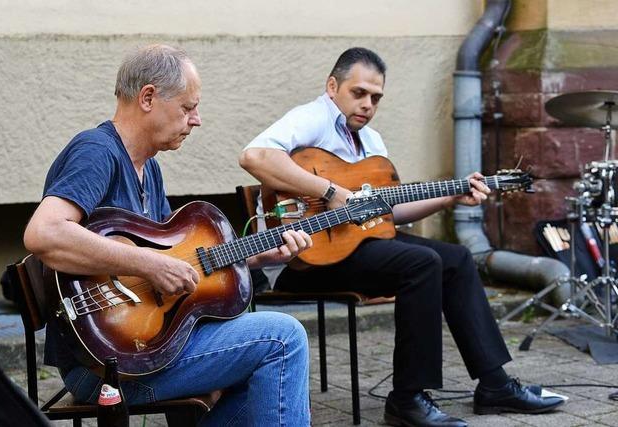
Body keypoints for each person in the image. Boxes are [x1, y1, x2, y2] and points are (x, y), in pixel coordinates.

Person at [239, 47, 565, 427]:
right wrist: (330, 191)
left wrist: (450, 197)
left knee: (457, 259)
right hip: (308, 257)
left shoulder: (372, 145)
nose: (367, 105)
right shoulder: (311, 119)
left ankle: (494, 385)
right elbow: (254, 157)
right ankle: (407, 399)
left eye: (375, 98)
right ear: (332, 86)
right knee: (422, 263)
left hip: (361, 248)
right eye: (358, 93)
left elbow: (389, 213)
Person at [23, 44, 314, 426]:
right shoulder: (96, 152)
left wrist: (257, 256)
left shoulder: (149, 169)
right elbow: (43, 234)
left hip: (147, 349)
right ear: (148, 97)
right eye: (187, 107)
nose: (196, 120)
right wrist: (148, 263)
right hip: (104, 365)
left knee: (266, 378)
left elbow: (176, 263)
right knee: (283, 339)